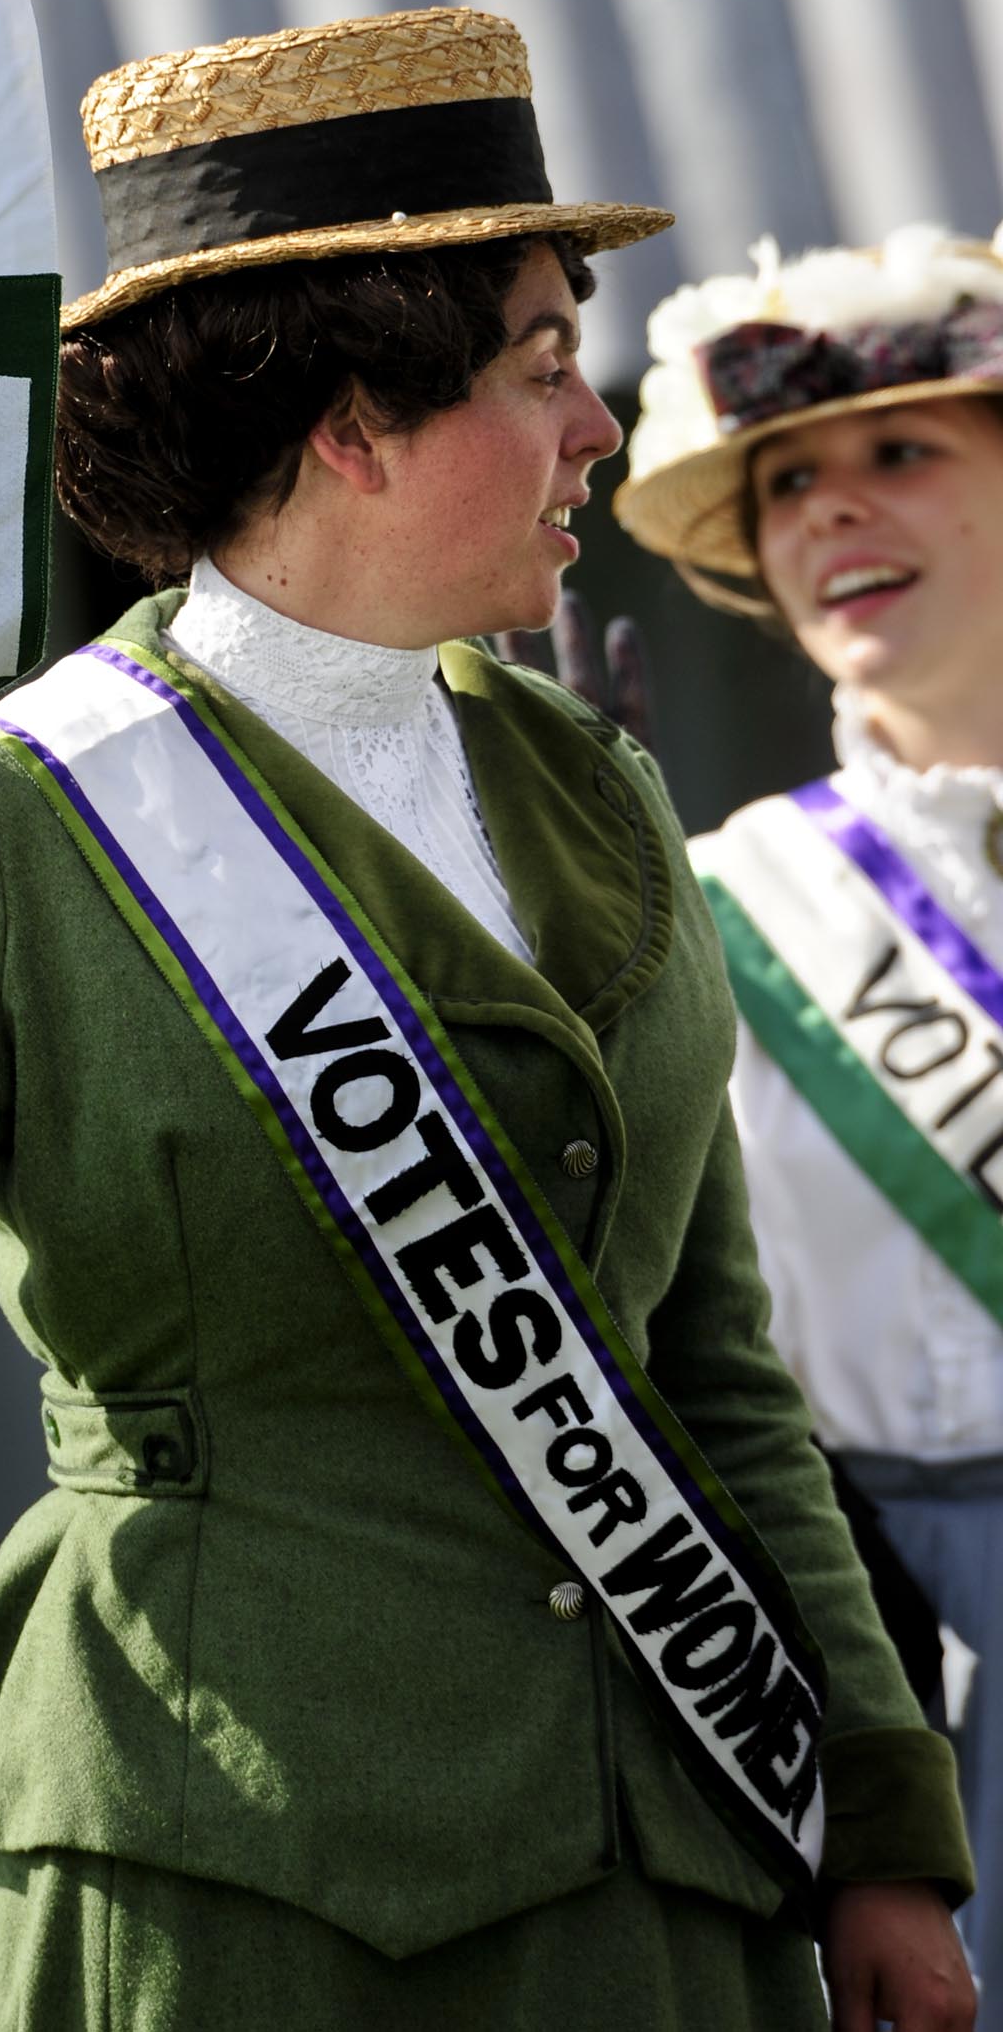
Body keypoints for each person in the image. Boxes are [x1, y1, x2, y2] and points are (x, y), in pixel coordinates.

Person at [0, 8, 974, 2029]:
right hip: (232, 1887)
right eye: (542, 367)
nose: (596, 432)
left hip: (663, 1887)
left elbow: (711, 1369)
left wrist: (878, 1833)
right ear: (355, 419)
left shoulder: (603, 791)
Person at [618, 219, 1003, 2001]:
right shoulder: (712, 904)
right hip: (884, 1648)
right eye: (785, 481)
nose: (832, 508)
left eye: (900, 449)